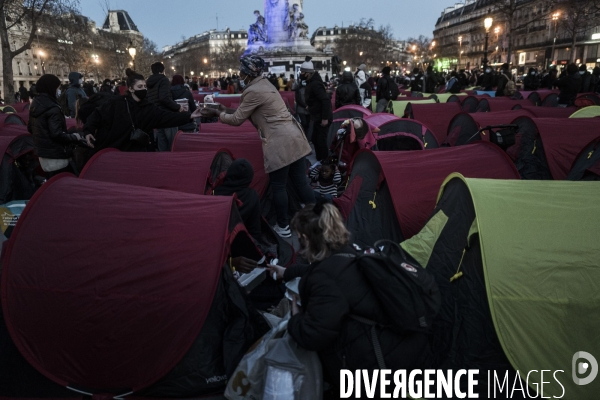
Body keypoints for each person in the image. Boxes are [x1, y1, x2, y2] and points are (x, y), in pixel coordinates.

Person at [267, 202, 432, 397]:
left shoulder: (326, 280)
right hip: (404, 348)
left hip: (378, 368)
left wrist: (296, 318)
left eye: (301, 238)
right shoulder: (352, 251)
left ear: (310, 239)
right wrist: (287, 272)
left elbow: (314, 334)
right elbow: (328, 270)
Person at [200, 56, 315, 238]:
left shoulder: (252, 90)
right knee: (301, 183)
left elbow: (238, 119)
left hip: (279, 141)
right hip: (294, 137)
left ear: (248, 72)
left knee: (278, 186)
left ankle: (283, 226)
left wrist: (217, 113)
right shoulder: (266, 85)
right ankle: (320, 216)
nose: (239, 73)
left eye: (241, 70)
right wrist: (223, 109)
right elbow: (245, 112)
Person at [83, 68, 202, 155]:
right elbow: (97, 115)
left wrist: (189, 116)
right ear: (130, 89)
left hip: (136, 151)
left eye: (145, 86)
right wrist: (88, 131)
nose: (144, 89)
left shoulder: (148, 107)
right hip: (112, 149)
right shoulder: (115, 103)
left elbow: (166, 117)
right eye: (140, 87)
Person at [28, 74, 85, 177]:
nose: (59, 91)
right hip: (57, 155)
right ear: (52, 88)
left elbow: (30, 128)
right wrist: (74, 137)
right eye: (58, 88)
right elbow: (56, 134)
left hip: (43, 154)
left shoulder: (35, 104)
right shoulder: (52, 108)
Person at [214, 158, 261, 239]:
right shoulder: (252, 196)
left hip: (217, 239)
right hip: (239, 241)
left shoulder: (215, 192)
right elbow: (254, 229)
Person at [147, 62, 184, 151]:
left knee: (162, 142)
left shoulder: (149, 82)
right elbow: (164, 98)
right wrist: (177, 107)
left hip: (157, 114)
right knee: (172, 142)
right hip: (167, 114)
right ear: (163, 70)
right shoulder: (163, 80)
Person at [303, 57, 333, 162]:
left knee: (320, 140)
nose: (301, 73)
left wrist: (324, 118)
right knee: (316, 139)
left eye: (303, 72)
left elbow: (325, 100)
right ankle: (320, 160)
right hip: (318, 116)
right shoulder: (312, 82)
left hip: (322, 117)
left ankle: (324, 161)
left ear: (308, 73)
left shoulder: (315, 84)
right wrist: (310, 106)